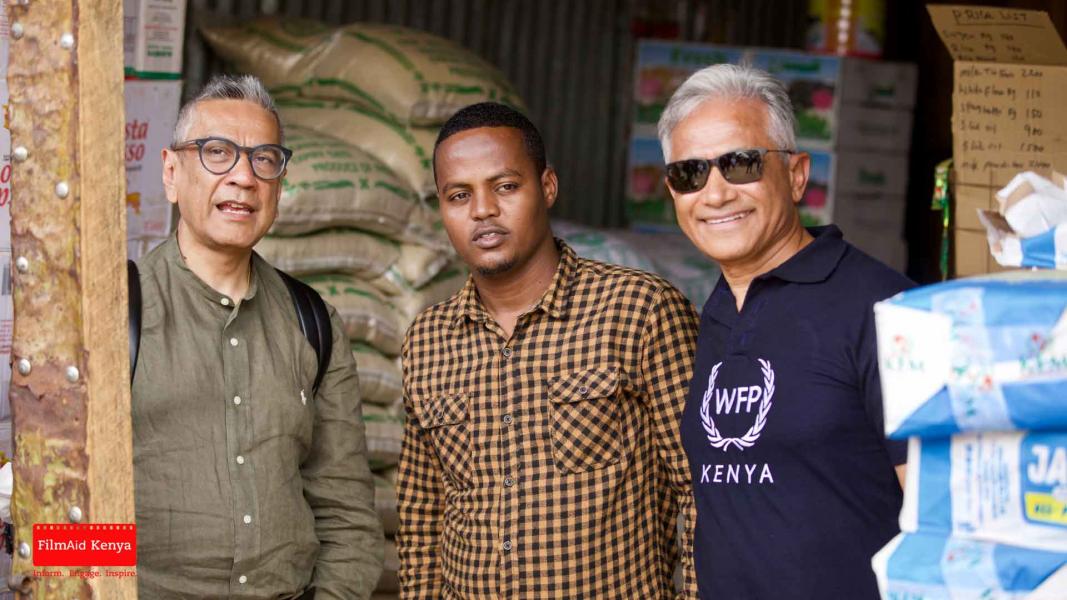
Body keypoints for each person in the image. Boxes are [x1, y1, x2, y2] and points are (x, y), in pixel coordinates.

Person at [396, 102, 698, 598]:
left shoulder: (640, 311)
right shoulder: (428, 339)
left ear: (548, 187)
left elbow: (704, 490)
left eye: (506, 186)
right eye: (458, 195)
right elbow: (422, 516)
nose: (483, 210)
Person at [658, 63, 912, 599]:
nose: (716, 193)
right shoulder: (719, 311)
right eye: (690, 174)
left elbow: (942, 521)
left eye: (741, 164)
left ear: (796, 174)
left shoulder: (883, 308)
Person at [131, 74, 382, 599]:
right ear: (171, 173)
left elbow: (347, 516)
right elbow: (61, 512)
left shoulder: (313, 321)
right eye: (217, 152)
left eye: (264, 159)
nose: (243, 177)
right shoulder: (115, 313)